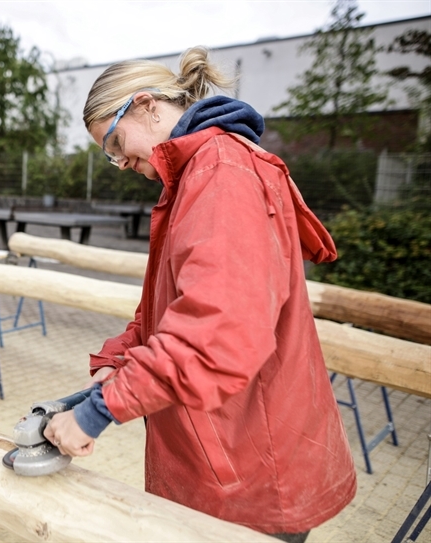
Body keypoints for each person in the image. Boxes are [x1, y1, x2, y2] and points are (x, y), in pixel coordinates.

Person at [43, 46, 357, 543]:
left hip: (249, 468)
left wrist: (96, 413)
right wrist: (115, 363)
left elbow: (215, 332)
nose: (120, 162)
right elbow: (168, 312)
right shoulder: (196, 172)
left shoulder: (220, 173)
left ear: (146, 105)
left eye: (115, 142)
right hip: (229, 456)